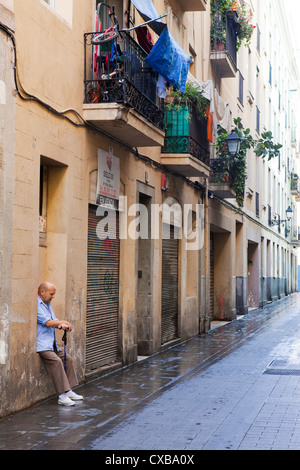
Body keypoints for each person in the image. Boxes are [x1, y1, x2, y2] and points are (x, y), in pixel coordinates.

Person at [37, 281, 83, 406]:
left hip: (52, 344)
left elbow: (54, 319)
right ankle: (62, 396)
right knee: (57, 362)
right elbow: (47, 322)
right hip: (42, 345)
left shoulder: (47, 304)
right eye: (51, 294)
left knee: (68, 359)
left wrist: (63, 325)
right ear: (42, 292)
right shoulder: (37, 304)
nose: (53, 297)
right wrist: (60, 323)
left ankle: (68, 391)